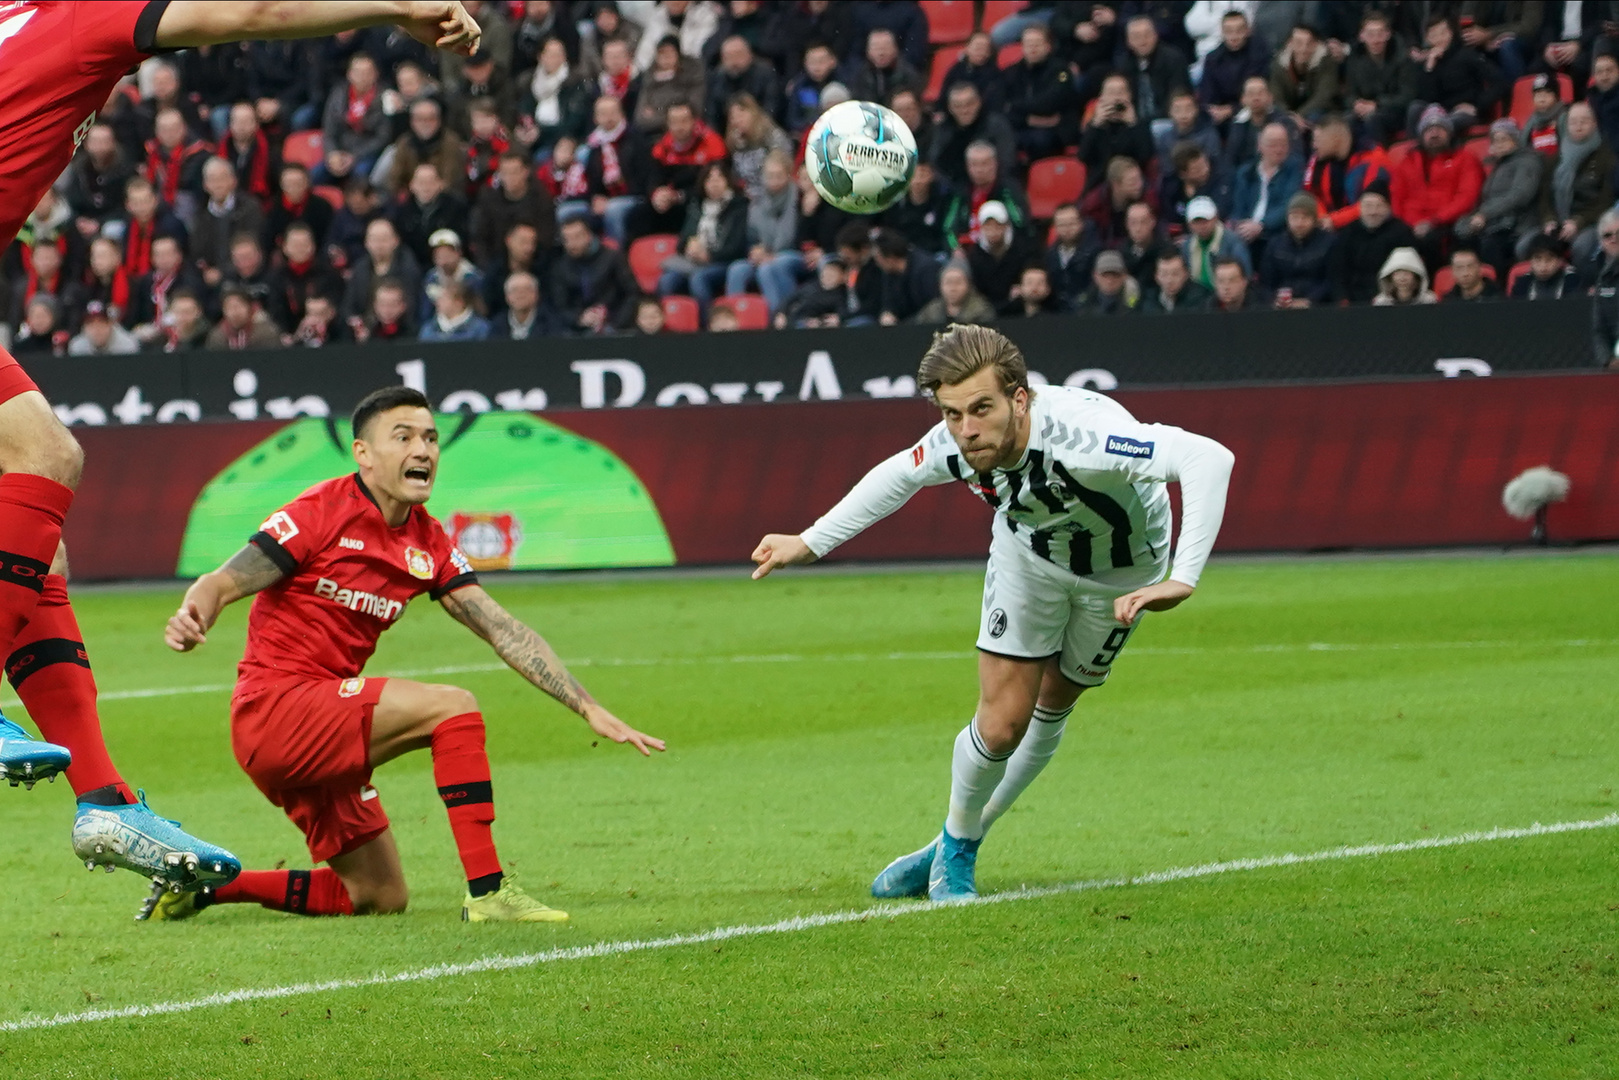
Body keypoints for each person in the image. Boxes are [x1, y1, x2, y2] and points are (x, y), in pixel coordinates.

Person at [0, 0, 478, 892]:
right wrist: (395, 7)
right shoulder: (85, 15)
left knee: (37, 547)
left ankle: (104, 797)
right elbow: (249, 10)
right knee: (47, 457)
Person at [749, 325, 1234, 901]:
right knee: (1004, 721)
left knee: (1055, 700)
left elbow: (1209, 457)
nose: (967, 429)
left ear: (1019, 398)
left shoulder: (1087, 437)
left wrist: (1183, 577)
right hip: (1029, 555)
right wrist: (809, 541)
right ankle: (957, 850)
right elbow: (900, 473)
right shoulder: (957, 439)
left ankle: (952, 841)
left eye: (981, 408)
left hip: (1124, 571)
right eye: (953, 414)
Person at [146, 387, 661, 923]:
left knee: (377, 896)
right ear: (363, 454)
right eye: (405, 437)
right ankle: (488, 892)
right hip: (275, 712)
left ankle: (205, 884)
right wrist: (193, 615)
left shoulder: (430, 544)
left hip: (325, 724)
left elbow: (503, 628)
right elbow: (224, 580)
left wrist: (586, 706)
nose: (424, 450)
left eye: (431, 438)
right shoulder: (319, 513)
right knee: (452, 707)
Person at [1526, 102, 1615, 267]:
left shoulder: (1607, 158)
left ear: (1594, 124)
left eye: (1584, 121)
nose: (1578, 126)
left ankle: (1581, 290)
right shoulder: (1555, 158)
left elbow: (1606, 201)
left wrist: (1578, 221)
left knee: (1581, 247)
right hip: (1558, 223)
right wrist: (1549, 220)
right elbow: (1545, 195)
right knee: (1524, 246)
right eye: (1573, 122)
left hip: (1591, 222)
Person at [1391, 106, 1484, 263]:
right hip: (1410, 224)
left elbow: (1467, 197)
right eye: (1429, 129)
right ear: (1421, 135)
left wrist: (1434, 221)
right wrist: (1411, 224)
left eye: (1440, 128)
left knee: (1431, 242)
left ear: (1449, 133)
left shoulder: (1465, 158)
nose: (1434, 133)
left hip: (1446, 223)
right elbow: (1397, 197)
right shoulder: (1408, 162)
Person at [1454, 119, 1543, 277]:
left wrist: (1485, 214)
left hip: (1518, 224)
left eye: (1504, 139)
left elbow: (1520, 195)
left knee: (1490, 245)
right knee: (1460, 234)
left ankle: (1498, 288)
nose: (1499, 144)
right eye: (1495, 140)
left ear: (1516, 140)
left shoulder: (1528, 161)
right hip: (1497, 222)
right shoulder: (1500, 164)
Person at [659, 160, 749, 311]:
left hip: (723, 262)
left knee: (699, 278)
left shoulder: (739, 207)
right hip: (694, 261)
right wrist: (689, 246)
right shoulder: (697, 206)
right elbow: (681, 242)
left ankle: (706, 325)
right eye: (709, 179)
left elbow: (736, 247)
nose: (714, 183)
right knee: (667, 280)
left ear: (727, 181)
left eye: (719, 178)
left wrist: (709, 256)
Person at [726, 151, 802, 315]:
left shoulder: (797, 198)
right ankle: (734, 319)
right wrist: (755, 251)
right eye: (769, 176)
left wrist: (770, 255)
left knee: (767, 269)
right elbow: (751, 236)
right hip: (765, 254)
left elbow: (792, 236)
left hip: (793, 253)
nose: (773, 181)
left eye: (778, 175)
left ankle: (778, 317)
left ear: (789, 175)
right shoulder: (757, 202)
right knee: (737, 269)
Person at [1330, 179, 1416, 304]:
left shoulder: (1401, 233)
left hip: (1388, 301)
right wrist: (1341, 298)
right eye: (1368, 206)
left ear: (1388, 207)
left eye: (1379, 206)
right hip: (1352, 300)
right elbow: (1337, 271)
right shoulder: (1348, 233)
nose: (1373, 212)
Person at [1300, 114, 1391, 230]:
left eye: (1317, 140)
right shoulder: (1320, 161)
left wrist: (1334, 220)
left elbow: (1371, 203)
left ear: (1336, 139)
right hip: (1330, 225)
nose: (1314, 145)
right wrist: (1322, 218)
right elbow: (1310, 194)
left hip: (1367, 227)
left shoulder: (1372, 159)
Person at [551, 216, 640, 333]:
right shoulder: (560, 267)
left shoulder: (613, 258)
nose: (572, 244)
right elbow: (560, 305)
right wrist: (579, 318)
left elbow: (632, 293)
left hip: (614, 325)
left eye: (577, 237)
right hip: (576, 331)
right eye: (567, 239)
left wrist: (615, 323)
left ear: (589, 235)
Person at [940, 141, 1034, 252]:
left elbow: (1021, 225)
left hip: (1003, 252)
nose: (979, 170)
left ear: (995, 164)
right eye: (974, 164)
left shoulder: (1008, 190)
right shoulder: (960, 191)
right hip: (967, 252)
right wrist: (956, 249)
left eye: (984, 163)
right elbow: (948, 229)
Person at [1341, 10, 1417, 147]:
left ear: (1388, 34)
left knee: (1373, 119)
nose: (1375, 40)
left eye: (1380, 34)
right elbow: (1348, 93)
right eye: (1370, 34)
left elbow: (1407, 95)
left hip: (1393, 112)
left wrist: (1377, 104)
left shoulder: (1402, 57)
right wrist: (1355, 104)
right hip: (1364, 109)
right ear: (1361, 36)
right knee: (1346, 120)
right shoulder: (1355, 59)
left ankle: (1379, 161)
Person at [1003, 25, 1079, 159]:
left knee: (1041, 141)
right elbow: (1001, 107)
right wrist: (1028, 120)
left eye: (1037, 44)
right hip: (1020, 127)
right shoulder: (1011, 72)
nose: (1032, 49)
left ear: (1048, 46)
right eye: (1028, 44)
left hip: (1055, 131)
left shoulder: (1061, 71)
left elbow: (1049, 103)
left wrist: (1015, 106)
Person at [318, 53, 393, 187]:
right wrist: (332, 153)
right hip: (340, 152)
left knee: (359, 176)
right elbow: (329, 130)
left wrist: (354, 156)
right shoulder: (338, 94)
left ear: (376, 74)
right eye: (358, 72)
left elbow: (383, 138)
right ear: (349, 74)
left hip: (367, 153)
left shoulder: (385, 98)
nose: (362, 77)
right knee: (315, 175)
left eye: (367, 72)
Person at [1229, 123, 1302, 255]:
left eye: (1283, 144)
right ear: (1260, 146)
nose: (1279, 150)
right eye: (1273, 145)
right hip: (1246, 233)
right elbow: (1238, 207)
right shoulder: (1246, 172)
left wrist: (1261, 225)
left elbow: (1288, 203)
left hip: (1276, 233)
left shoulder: (1295, 167)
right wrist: (1240, 226)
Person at [1258, 192, 1334, 308]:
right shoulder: (1275, 244)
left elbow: (1331, 281)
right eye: (1294, 217)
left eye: (1305, 217)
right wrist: (1274, 299)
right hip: (1282, 309)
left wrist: (1310, 301)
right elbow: (1266, 283)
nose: (1299, 223)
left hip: (1319, 307)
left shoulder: (1328, 242)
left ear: (1314, 219)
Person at [1078, 74, 1155, 184]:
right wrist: (1097, 125)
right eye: (1111, 93)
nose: (1116, 97)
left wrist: (1133, 125)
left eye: (1121, 92)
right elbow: (1083, 156)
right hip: (1099, 183)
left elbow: (1145, 156)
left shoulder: (1139, 124)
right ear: (1101, 97)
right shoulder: (1094, 125)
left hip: (1131, 183)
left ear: (1129, 95)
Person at [1197, 10, 1270, 125]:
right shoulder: (1213, 59)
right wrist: (1215, 111)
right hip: (1218, 117)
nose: (1234, 36)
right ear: (1222, 32)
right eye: (1229, 31)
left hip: (1251, 111)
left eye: (1239, 30)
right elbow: (1206, 95)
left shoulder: (1259, 55)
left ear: (1247, 30)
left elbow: (1260, 93)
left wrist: (1231, 109)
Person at [962, 202, 1033, 311]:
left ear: (1006, 226)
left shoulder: (1022, 249)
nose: (993, 231)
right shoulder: (975, 255)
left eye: (998, 225)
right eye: (988, 226)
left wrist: (1023, 288)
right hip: (985, 309)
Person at [1270, 23, 1340, 125]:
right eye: (1299, 43)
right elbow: (1276, 96)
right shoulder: (1280, 63)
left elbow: (1324, 96)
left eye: (1309, 44)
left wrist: (1300, 115)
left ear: (1316, 44)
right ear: (1290, 43)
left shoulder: (1326, 61)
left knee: (1318, 117)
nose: (1304, 49)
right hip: (1288, 113)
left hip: (1317, 111)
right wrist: (1289, 117)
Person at [1181, 196, 1251, 289]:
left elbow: (1246, 274)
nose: (1202, 226)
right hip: (1196, 295)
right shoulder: (1187, 245)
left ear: (1215, 218)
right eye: (1197, 222)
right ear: (1189, 224)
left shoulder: (1233, 241)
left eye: (1205, 220)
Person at [1044, 202, 1100, 309]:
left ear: (1081, 224)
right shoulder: (1049, 255)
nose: (1067, 229)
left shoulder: (1094, 252)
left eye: (1071, 223)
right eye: (1062, 224)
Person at [912, 263, 997, 326]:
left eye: (958, 283)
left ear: (968, 285)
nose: (953, 288)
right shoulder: (930, 311)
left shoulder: (982, 310)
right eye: (948, 283)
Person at [1587, 209, 1619, 366]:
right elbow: (1599, 330)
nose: (1614, 238)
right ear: (1601, 243)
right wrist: (1607, 361)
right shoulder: (1604, 279)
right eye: (1608, 235)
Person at [1511, 233, 1580, 300]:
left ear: (1560, 261)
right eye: (1538, 259)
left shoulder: (1572, 281)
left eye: (1549, 260)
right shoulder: (1522, 284)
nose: (1543, 266)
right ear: (1530, 261)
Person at [419, 278, 492, 340]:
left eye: (443, 298)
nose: (438, 302)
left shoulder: (480, 329)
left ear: (459, 302)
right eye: (438, 298)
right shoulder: (429, 329)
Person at [1140, 249, 1210, 313]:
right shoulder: (1149, 298)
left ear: (1186, 274)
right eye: (1164, 274)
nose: (1169, 280)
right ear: (1156, 276)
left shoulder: (1199, 297)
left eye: (1175, 274)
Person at [1076, 249, 1140, 314]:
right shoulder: (1082, 305)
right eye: (1105, 275)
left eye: (1115, 275)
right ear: (1095, 276)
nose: (1110, 281)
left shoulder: (1135, 306)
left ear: (1124, 276)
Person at [66, 302, 140, 356]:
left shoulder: (126, 346)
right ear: (84, 328)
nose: (97, 328)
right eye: (90, 323)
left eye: (102, 323)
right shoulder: (78, 347)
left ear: (111, 324)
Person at [1372, 246, 1439, 305]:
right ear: (1390, 277)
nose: (1402, 278)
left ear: (1416, 277)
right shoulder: (1382, 302)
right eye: (1397, 273)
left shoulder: (1428, 301)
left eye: (1407, 273)